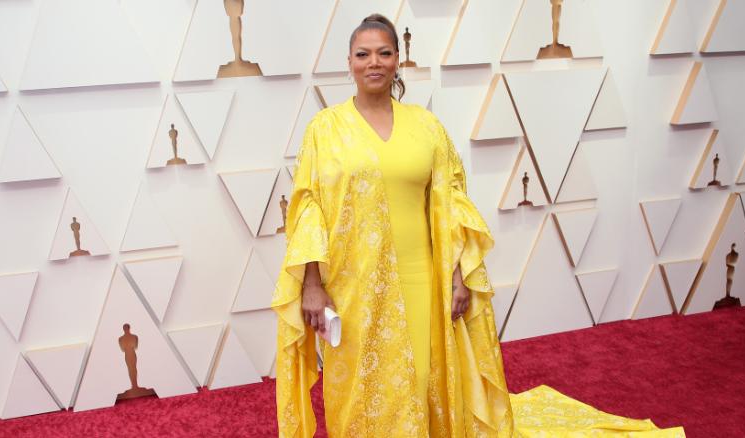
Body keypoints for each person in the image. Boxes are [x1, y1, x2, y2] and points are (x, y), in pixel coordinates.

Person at [272, 14, 685, 438]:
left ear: (398, 60)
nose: (373, 62)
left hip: (422, 279)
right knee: (362, 387)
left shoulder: (426, 127)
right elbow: (308, 209)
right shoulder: (324, 130)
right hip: (354, 283)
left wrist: (457, 276)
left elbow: (451, 205)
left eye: (384, 52)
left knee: (421, 377)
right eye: (363, 54)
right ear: (349, 61)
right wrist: (311, 284)